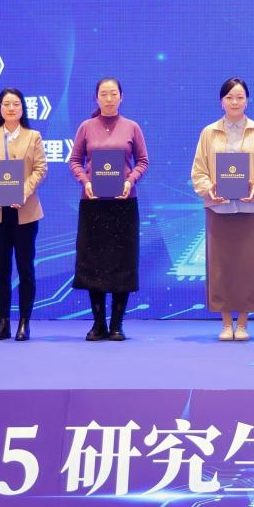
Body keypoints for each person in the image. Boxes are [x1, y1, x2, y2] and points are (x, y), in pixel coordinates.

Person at [190, 77, 254, 341]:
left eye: (240, 97)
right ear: (221, 101)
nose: (235, 102)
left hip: (250, 208)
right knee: (222, 267)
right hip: (219, 210)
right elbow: (199, 170)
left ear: (247, 101)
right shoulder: (208, 133)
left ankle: (243, 324)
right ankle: (226, 323)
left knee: (248, 267)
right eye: (229, 97)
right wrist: (209, 189)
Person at [68, 77, 149, 342]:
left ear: (121, 97)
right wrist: (85, 181)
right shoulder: (86, 127)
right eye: (104, 94)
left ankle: (117, 324)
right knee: (94, 263)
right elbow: (75, 161)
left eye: (113, 93)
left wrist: (130, 181)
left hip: (124, 204)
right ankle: (98, 324)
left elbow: (143, 161)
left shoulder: (132, 127)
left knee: (121, 262)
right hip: (93, 204)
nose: (109, 98)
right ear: (96, 98)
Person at [0, 87, 47, 342]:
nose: (11, 108)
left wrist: (22, 193)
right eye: (6, 104)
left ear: (23, 108)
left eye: (16, 103)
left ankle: (24, 322)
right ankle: (3, 322)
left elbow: (40, 169)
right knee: (0, 269)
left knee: (25, 268)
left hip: (25, 211)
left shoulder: (33, 136)